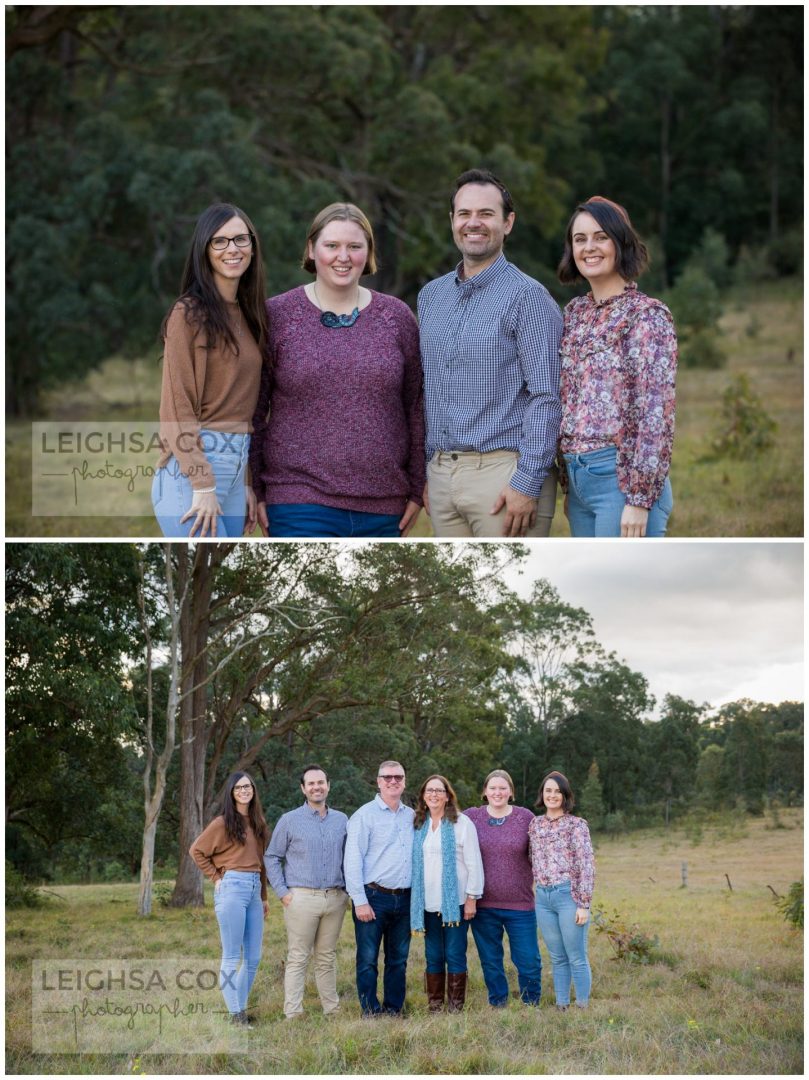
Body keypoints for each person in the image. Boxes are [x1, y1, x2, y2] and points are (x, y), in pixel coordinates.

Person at [249, 203, 425, 538]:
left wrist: (418, 487)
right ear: (311, 250)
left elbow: (415, 407)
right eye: (332, 246)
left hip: (385, 506)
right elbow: (255, 410)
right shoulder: (277, 316)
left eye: (354, 246)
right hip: (298, 500)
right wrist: (255, 487)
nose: (343, 256)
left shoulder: (397, 318)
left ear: (368, 253)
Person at [418, 169, 562, 538]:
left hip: (504, 476)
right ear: (452, 221)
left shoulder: (528, 297)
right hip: (442, 475)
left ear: (508, 222)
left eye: (486, 214)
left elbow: (547, 395)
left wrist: (527, 482)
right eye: (464, 214)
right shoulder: (431, 297)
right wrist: (430, 471)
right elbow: (427, 390)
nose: (474, 223)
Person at [557, 195, 677, 537]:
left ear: (620, 243)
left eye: (600, 236)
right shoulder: (574, 314)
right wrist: (570, 484)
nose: (589, 247)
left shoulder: (647, 315)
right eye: (580, 239)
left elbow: (656, 414)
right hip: (579, 481)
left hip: (620, 480)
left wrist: (639, 500)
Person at [152, 202, 268, 537]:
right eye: (220, 241)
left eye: (240, 240)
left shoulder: (250, 315)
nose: (232, 249)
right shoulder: (189, 314)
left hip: (235, 466)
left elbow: (244, 408)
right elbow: (176, 407)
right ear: (204, 251)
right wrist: (202, 483)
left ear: (252, 247)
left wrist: (245, 480)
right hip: (196, 468)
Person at [264, 764, 349, 1020]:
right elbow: (271, 856)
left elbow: (350, 858)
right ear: (303, 788)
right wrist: (282, 892)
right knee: (298, 957)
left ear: (328, 785)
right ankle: (293, 1012)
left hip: (335, 898)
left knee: (326, 957)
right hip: (301, 898)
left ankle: (332, 1010)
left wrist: (348, 892)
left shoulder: (342, 820)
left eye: (320, 782)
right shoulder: (289, 820)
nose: (316, 787)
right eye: (311, 783)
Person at [190, 771, 270, 1026]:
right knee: (232, 956)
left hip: (255, 889)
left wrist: (264, 897)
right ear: (232, 793)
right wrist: (216, 877)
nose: (245, 791)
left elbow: (262, 862)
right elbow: (197, 851)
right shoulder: (222, 823)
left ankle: (240, 1010)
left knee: (254, 957)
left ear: (253, 790)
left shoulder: (259, 822)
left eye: (248, 786)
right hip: (232, 887)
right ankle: (236, 1015)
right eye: (239, 788)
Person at [463, 769, 542, 1008]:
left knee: (528, 959)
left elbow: (544, 846)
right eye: (493, 788)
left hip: (520, 904)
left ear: (511, 792)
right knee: (490, 959)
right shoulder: (471, 817)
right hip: (483, 904)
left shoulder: (526, 817)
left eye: (503, 788)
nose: (498, 792)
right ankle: (498, 1002)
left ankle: (531, 1002)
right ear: (485, 792)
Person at [344, 760, 415, 1016]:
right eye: (387, 777)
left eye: (398, 776)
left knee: (398, 960)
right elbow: (352, 860)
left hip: (405, 899)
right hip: (373, 897)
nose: (393, 781)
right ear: (378, 781)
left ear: (404, 781)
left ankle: (394, 1008)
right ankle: (370, 1010)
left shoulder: (411, 815)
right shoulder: (364, 816)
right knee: (367, 960)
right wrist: (360, 901)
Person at [410, 774, 484, 1012]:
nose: (434, 794)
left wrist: (472, 898)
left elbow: (474, 863)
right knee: (433, 955)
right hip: (427, 903)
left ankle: (455, 1006)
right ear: (423, 795)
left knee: (454, 953)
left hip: (456, 904)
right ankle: (435, 1005)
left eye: (439, 791)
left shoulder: (462, 823)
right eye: (429, 790)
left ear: (447, 796)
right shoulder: (418, 824)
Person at [529, 771, 594, 1010]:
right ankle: (562, 1005)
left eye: (557, 791)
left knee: (576, 955)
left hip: (568, 896)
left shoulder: (576, 825)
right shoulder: (535, 825)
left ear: (565, 795)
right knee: (557, 956)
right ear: (542, 794)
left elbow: (586, 865)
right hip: (543, 898)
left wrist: (583, 904)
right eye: (548, 791)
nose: (552, 795)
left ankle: (582, 1006)